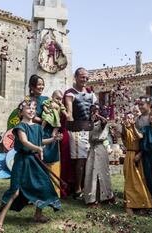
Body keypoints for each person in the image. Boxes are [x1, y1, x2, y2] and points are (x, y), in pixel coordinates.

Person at [0, 98, 62, 232]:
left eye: (34, 108)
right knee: (15, 191)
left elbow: (40, 141)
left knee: (43, 184)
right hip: (22, 161)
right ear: (21, 111)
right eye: (28, 108)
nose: (31, 110)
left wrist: (53, 139)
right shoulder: (20, 127)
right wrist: (38, 148)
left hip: (34, 161)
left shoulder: (37, 127)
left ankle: (38, 214)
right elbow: (24, 142)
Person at [64, 67, 97, 199]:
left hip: (90, 130)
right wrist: (71, 123)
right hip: (77, 130)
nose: (85, 80)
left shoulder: (91, 95)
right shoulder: (70, 94)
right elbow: (70, 113)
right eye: (82, 77)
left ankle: (88, 186)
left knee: (90, 159)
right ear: (76, 77)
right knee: (80, 161)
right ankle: (77, 188)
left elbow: (95, 111)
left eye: (87, 77)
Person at [28, 74, 61, 197]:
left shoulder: (47, 98)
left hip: (50, 132)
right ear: (32, 86)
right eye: (38, 84)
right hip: (37, 133)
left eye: (42, 84)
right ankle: (34, 192)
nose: (41, 86)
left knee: (49, 162)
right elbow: (27, 115)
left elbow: (56, 110)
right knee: (37, 162)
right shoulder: (28, 100)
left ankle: (49, 191)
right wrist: (43, 119)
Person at [121, 112, 152, 215]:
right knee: (130, 181)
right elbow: (122, 132)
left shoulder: (138, 129)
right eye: (127, 118)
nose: (129, 120)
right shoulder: (125, 130)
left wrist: (134, 126)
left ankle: (141, 204)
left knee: (140, 180)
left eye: (131, 118)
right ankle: (129, 205)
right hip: (130, 156)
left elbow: (140, 137)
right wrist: (123, 124)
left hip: (138, 157)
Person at [84, 104, 114, 207]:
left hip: (101, 148)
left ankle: (106, 196)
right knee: (91, 173)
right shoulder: (89, 124)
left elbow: (104, 121)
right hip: (92, 148)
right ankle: (92, 198)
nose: (95, 113)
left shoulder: (103, 123)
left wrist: (98, 116)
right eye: (93, 111)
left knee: (103, 172)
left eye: (97, 111)